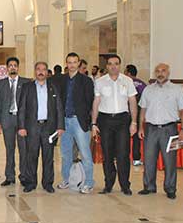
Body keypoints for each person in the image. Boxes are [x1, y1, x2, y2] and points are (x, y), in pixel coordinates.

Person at [138, 63, 183, 200]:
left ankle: (170, 188)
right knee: (149, 160)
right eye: (157, 71)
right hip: (150, 129)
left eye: (163, 71)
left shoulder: (177, 89)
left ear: (168, 73)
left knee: (170, 161)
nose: (160, 73)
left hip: (170, 130)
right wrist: (140, 127)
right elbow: (143, 110)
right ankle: (149, 186)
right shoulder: (148, 89)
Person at [91, 55, 138, 196]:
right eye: (110, 64)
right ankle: (108, 184)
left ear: (120, 65)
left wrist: (134, 122)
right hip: (105, 120)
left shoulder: (128, 81)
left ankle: (125, 185)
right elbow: (96, 102)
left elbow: (132, 102)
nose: (113, 66)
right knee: (107, 154)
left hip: (122, 120)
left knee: (123, 154)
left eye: (116, 64)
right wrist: (94, 123)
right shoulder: (100, 82)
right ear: (107, 66)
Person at [18, 62, 65, 193]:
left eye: (43, 69)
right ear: (35, 71)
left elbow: (59, 107)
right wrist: (21, 126)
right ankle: (30, 183)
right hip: (32, 127)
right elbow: (22, 108)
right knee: (31, 156)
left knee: (48, 157)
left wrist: (60, 126)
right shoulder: (27, 87)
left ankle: (48, 183)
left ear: (47, 72)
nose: (41, 72)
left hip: (49, 128)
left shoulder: (54, 87)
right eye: (38, 69)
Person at [57, 53, 95, 194]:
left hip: (79, 121)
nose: (72, 65)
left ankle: (89, 182)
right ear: (66, 64)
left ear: (79, 63)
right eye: (69, 62)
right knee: (65, 153)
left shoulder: (86, 81)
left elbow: (90, 101)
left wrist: (88, 121)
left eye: (74, 62)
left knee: (85, 153)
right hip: (65, 121)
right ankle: (66, 179)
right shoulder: (62, 80)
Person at [0, 57, 31, 186]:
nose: (13, 67)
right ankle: (10, 176)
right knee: (9, 149)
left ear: (18, 67)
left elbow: (30, 104)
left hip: (22, 121)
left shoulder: (26, 82)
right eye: (10, 65)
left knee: (23, 150)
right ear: (7, 68)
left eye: (15, 65)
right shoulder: (0, 84)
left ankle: (24, 176)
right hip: (7, 120)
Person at [125, 64, 148, 166]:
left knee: (123, 136)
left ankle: (122, 157)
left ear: (129, 73)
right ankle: (136, 159)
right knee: (136, 137)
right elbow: (146, 100)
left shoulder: (125, 83)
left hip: (125, 113)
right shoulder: (142, 84)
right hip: (137, 114)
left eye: (125, 72)